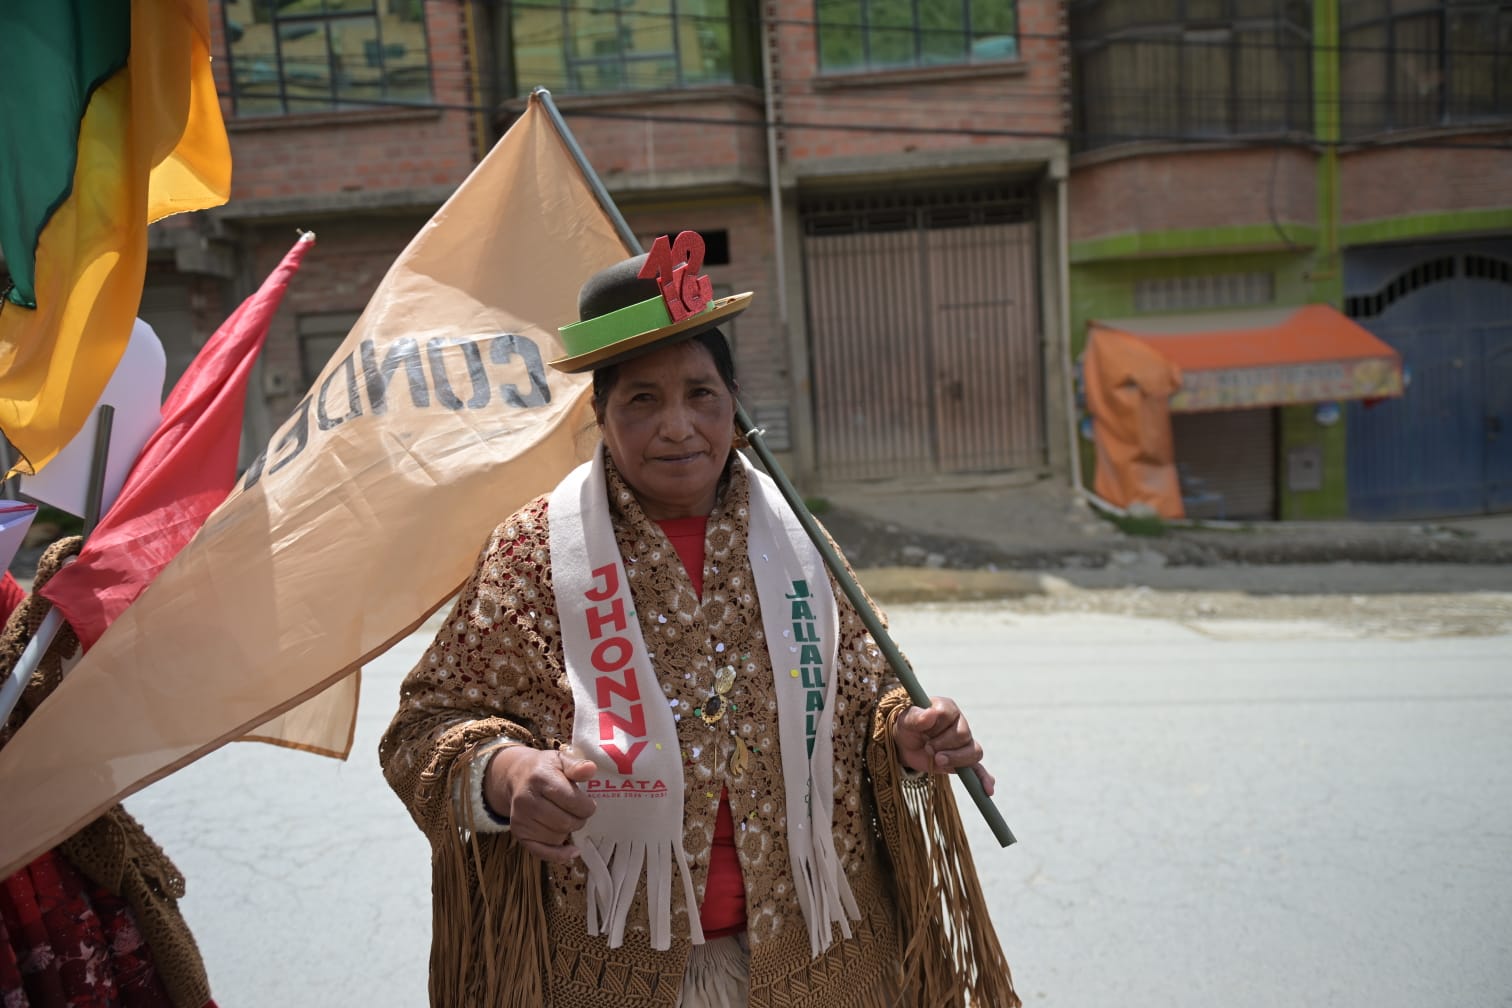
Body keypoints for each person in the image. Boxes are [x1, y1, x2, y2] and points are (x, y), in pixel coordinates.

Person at [379, 233, 1017, 1008]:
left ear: (734, 402)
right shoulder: (534, 554)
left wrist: (906, 739)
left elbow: (869, 704)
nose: (678, 426)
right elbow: (425, 728)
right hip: (597, 969)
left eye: (701, 394)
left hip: (817, 956)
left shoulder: (800, 542)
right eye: (643, 400)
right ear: (601, 415)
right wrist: (509, 775)